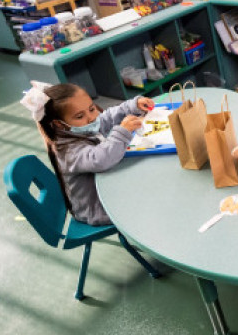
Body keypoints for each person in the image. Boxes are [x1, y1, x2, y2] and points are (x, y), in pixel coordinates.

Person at [20, 81, 153, 226]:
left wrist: (131, 106)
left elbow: (106, 118)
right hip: (97, 209)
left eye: (91, 108)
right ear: (59, 124)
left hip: (109, 191)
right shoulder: (67, 151)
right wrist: (122, 133)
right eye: (79, 116)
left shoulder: (83, 126)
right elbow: (100, 160)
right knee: (151, 199)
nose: (92, 117)